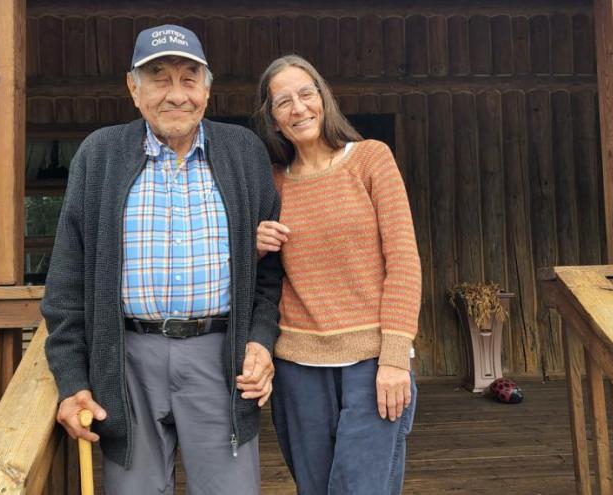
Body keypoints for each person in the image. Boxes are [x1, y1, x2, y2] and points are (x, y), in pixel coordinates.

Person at [41, 24, 283, 495]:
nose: (177, 95)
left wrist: (260, 340)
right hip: (125, 363)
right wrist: (72, 381)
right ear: (134, 89)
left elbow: (269, 275)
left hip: (220, 360)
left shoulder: (243, 152)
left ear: (207, 92)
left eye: (189, 78)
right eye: (159, 77)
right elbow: (66, 285)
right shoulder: (99, 155)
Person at [254, 55, 422, 495]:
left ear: (324, 99)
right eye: (283, 101)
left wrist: (393, 358)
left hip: (372, 362)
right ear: (273, 120)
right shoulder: (272, 184)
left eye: (306, 94)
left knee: (360, 487)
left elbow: (403, 259)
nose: (298, 108)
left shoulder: (369, 159)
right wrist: (252, 247)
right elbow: (258, 277)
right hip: (297, 365)